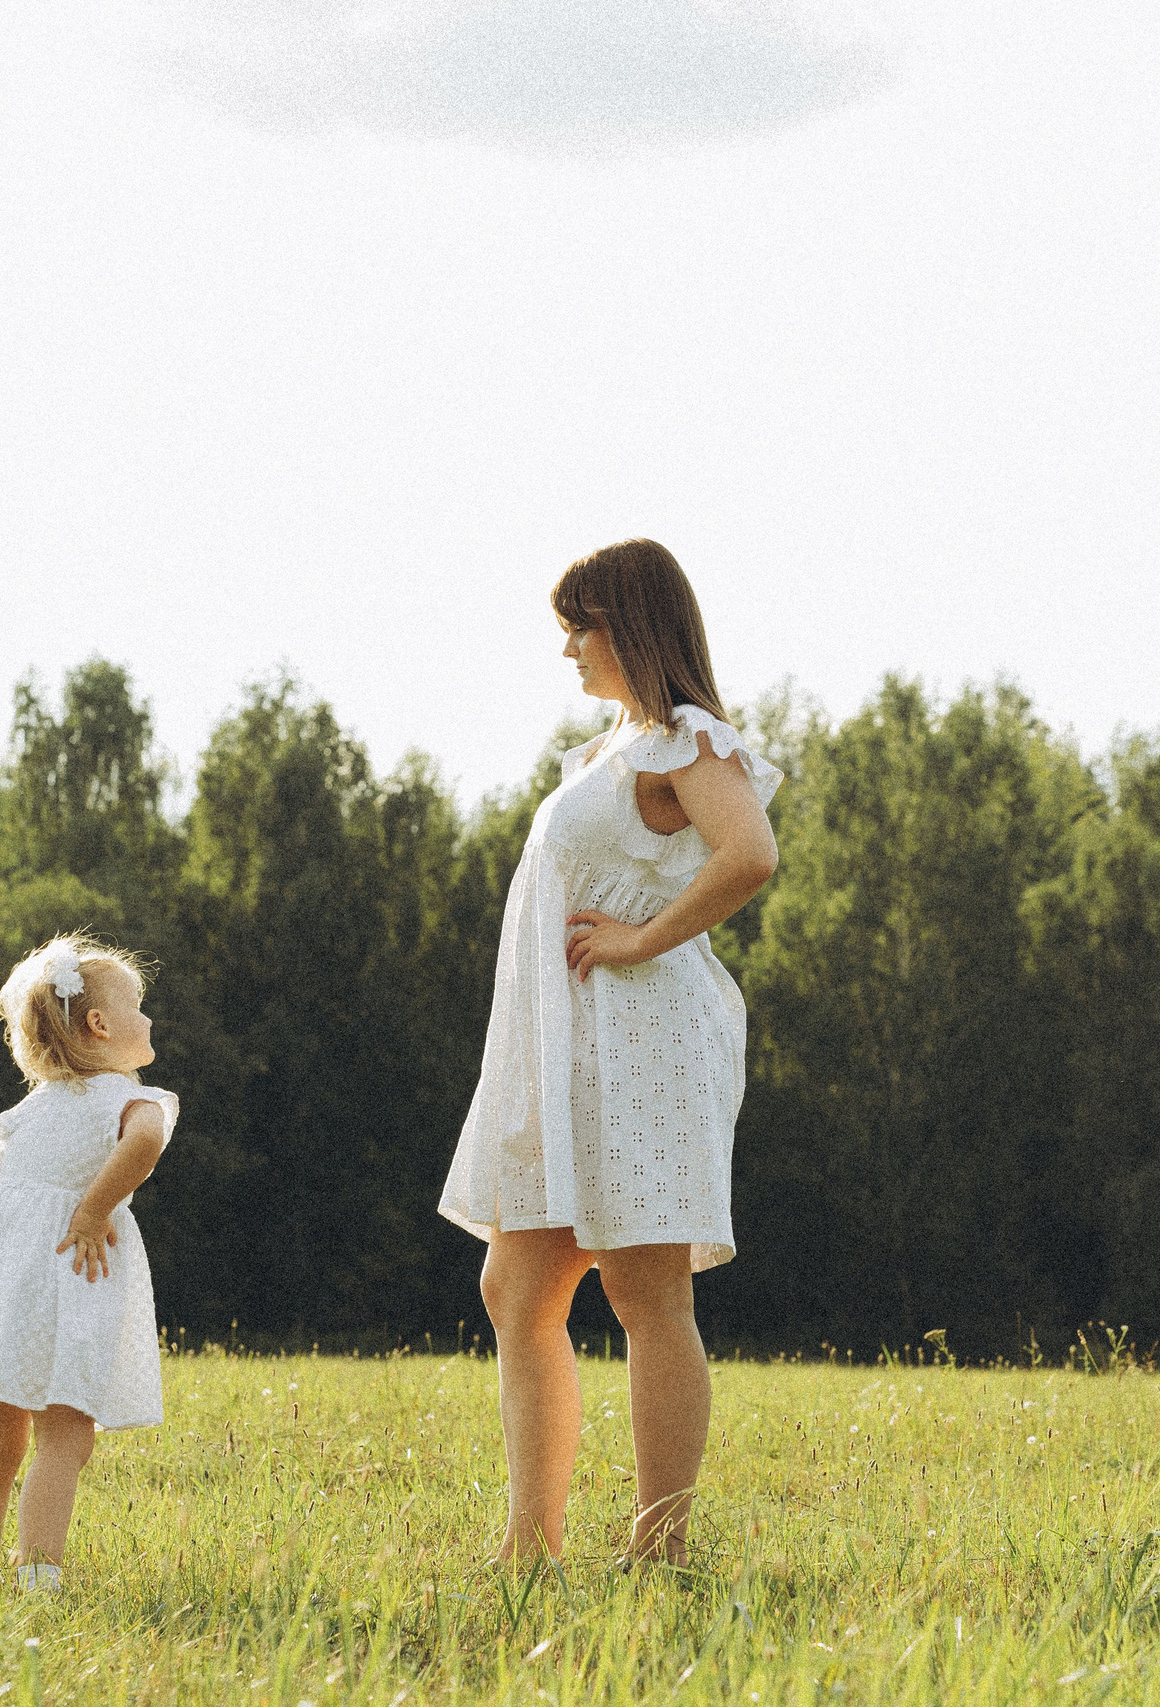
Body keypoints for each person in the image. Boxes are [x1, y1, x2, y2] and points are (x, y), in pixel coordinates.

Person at [439, 538, 783, 1566]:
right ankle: (529, 1545)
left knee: (644, 1291)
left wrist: (637, 938)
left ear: (631, 627)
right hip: (569, 1047)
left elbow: (750, 853)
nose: (569, 650)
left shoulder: (687, 742)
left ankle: (658, 1547)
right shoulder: (605, 754)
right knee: (518, 1289)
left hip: (643, 1046)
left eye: (581, 627)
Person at [0, 935, 179, 1591]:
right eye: (138, 1006)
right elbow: (147, 1143)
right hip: (69, 1284)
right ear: (99, 1024)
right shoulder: (129, 1099)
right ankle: (37, 1578)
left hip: (1, 1285)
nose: (149, 1019)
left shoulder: (34, 1106)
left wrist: (16, 1206)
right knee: (64, 1438)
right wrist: (93, 1210)